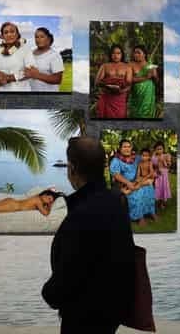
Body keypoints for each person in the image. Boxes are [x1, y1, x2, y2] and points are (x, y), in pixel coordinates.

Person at [42, 137, 135, 333]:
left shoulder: (81, 216)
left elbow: (64, 283)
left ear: (72, 169)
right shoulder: (116, 201)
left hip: (84, 318)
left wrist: (48, 292)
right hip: (110, 314)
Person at [110, 140, 156, 225]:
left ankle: (150, 212)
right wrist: (128, 183)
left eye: (129, 146)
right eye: (124, 147)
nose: (127, 149)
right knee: (137, 193)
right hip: (125, 183)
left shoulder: (136, 157)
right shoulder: (116, 160)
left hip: (138, 181)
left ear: (131, 148)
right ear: (120, 148)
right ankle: (139, 216)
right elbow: (116, 174)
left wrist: (152, 171)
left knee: (149, 190)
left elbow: (147, 158)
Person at [0, 22, 36, 91]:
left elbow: (31, 72)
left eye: (12, 31)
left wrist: (9, 78)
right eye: (6, 32)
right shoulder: (0, 51)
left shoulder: (25, 49)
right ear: (3, 36)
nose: (9, 34)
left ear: (17, 34)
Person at [95, 45, 132, 118]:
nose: (116, 55)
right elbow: (97, 82)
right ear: (110, 54)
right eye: (113, 53)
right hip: (107, 96)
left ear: (122, 55)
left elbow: (129, 85)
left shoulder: (127, 67)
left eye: (118, 53)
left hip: (120, 98)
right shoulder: (105, 66)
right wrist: (108, 86)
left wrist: (120, 91)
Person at [25, 27, 65, 92]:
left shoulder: (55, 56)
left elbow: (58, 79)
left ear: (48, 39)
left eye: (42, 37)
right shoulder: (30, 54)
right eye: (36, 37)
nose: (38, 39)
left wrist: (37, 75)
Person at [128, 45, 158, 118]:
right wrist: (146, 77)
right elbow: (129, 79)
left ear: (144, 54)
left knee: (147, 114)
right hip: (136, 96)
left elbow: (156, 81)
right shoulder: (130, 65)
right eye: (135, 53)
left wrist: (154, 75)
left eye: (138, 53)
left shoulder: (150, 65)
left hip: (147, 95)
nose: (136, 54)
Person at [152, 141, 171, 210]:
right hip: (158, 175)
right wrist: (158, 161)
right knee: (157, 188)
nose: (159, 151)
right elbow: (153, 165)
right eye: (157, 149)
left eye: (161, 149)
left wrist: (165, 161)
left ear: (163, 149)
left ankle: (162, 202)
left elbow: (168, 165)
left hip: (164, 174)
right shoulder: (154, 157)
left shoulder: (166, 156)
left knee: (163, 187)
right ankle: (156, 201)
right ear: (155, 150)